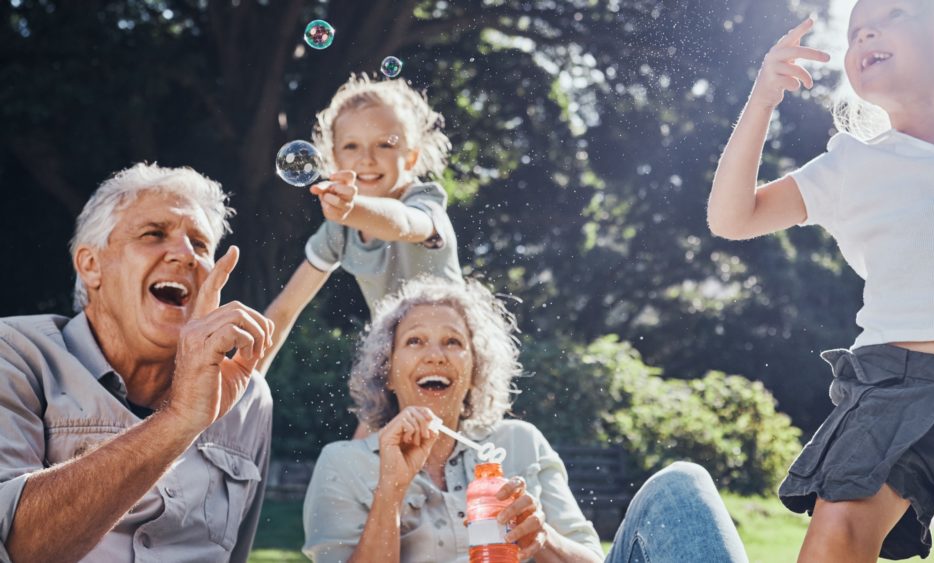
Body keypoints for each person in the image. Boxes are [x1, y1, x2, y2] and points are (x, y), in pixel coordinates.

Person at [708, 1, 934, 560]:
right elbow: (731, 217)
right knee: (837, 531)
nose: (867, 29)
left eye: (896, 15)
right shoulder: (849, 165)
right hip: (893, 381)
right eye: (857, 27)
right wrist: (761, 100)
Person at [301, 277, 749, 563]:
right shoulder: (344, 463)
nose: (435, 353)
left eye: (453, 342)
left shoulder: (520, 442)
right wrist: (391, 492)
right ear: (388, 371)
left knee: (681, 485)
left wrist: (544, 539)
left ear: (475, 370)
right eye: (415, 341)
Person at [0, 163, 275, 562]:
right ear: (90, 266)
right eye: (154, 234)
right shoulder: (15, 353)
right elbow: (16, 546)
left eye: (200, 245)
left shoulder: (247, 397)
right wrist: (180, 420)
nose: (185, 256)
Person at [263, 73, 462, 374]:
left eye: (384, 145)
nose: (366, 159)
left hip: (452, 354)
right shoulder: (339, 229)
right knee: (372, 419)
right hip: (398, 361)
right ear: (333, 159)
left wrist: (353, 208)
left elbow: (404, 224)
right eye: (352, 146)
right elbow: (284, 310)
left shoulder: (424, 201)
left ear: (410, 158)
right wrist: (244, 379)